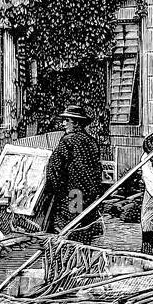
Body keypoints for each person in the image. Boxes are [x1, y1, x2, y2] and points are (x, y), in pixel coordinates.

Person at [43, 104, 104, 243]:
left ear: (76, 123)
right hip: (89, 196)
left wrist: (55, 191)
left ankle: (70, 261)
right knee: (84, 231)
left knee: (70, 231)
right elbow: (97, 170)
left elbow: (54, 169)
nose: (63, 124)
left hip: (73, 195)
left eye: (67, 120)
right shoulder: (92, 142)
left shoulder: (68, 140)